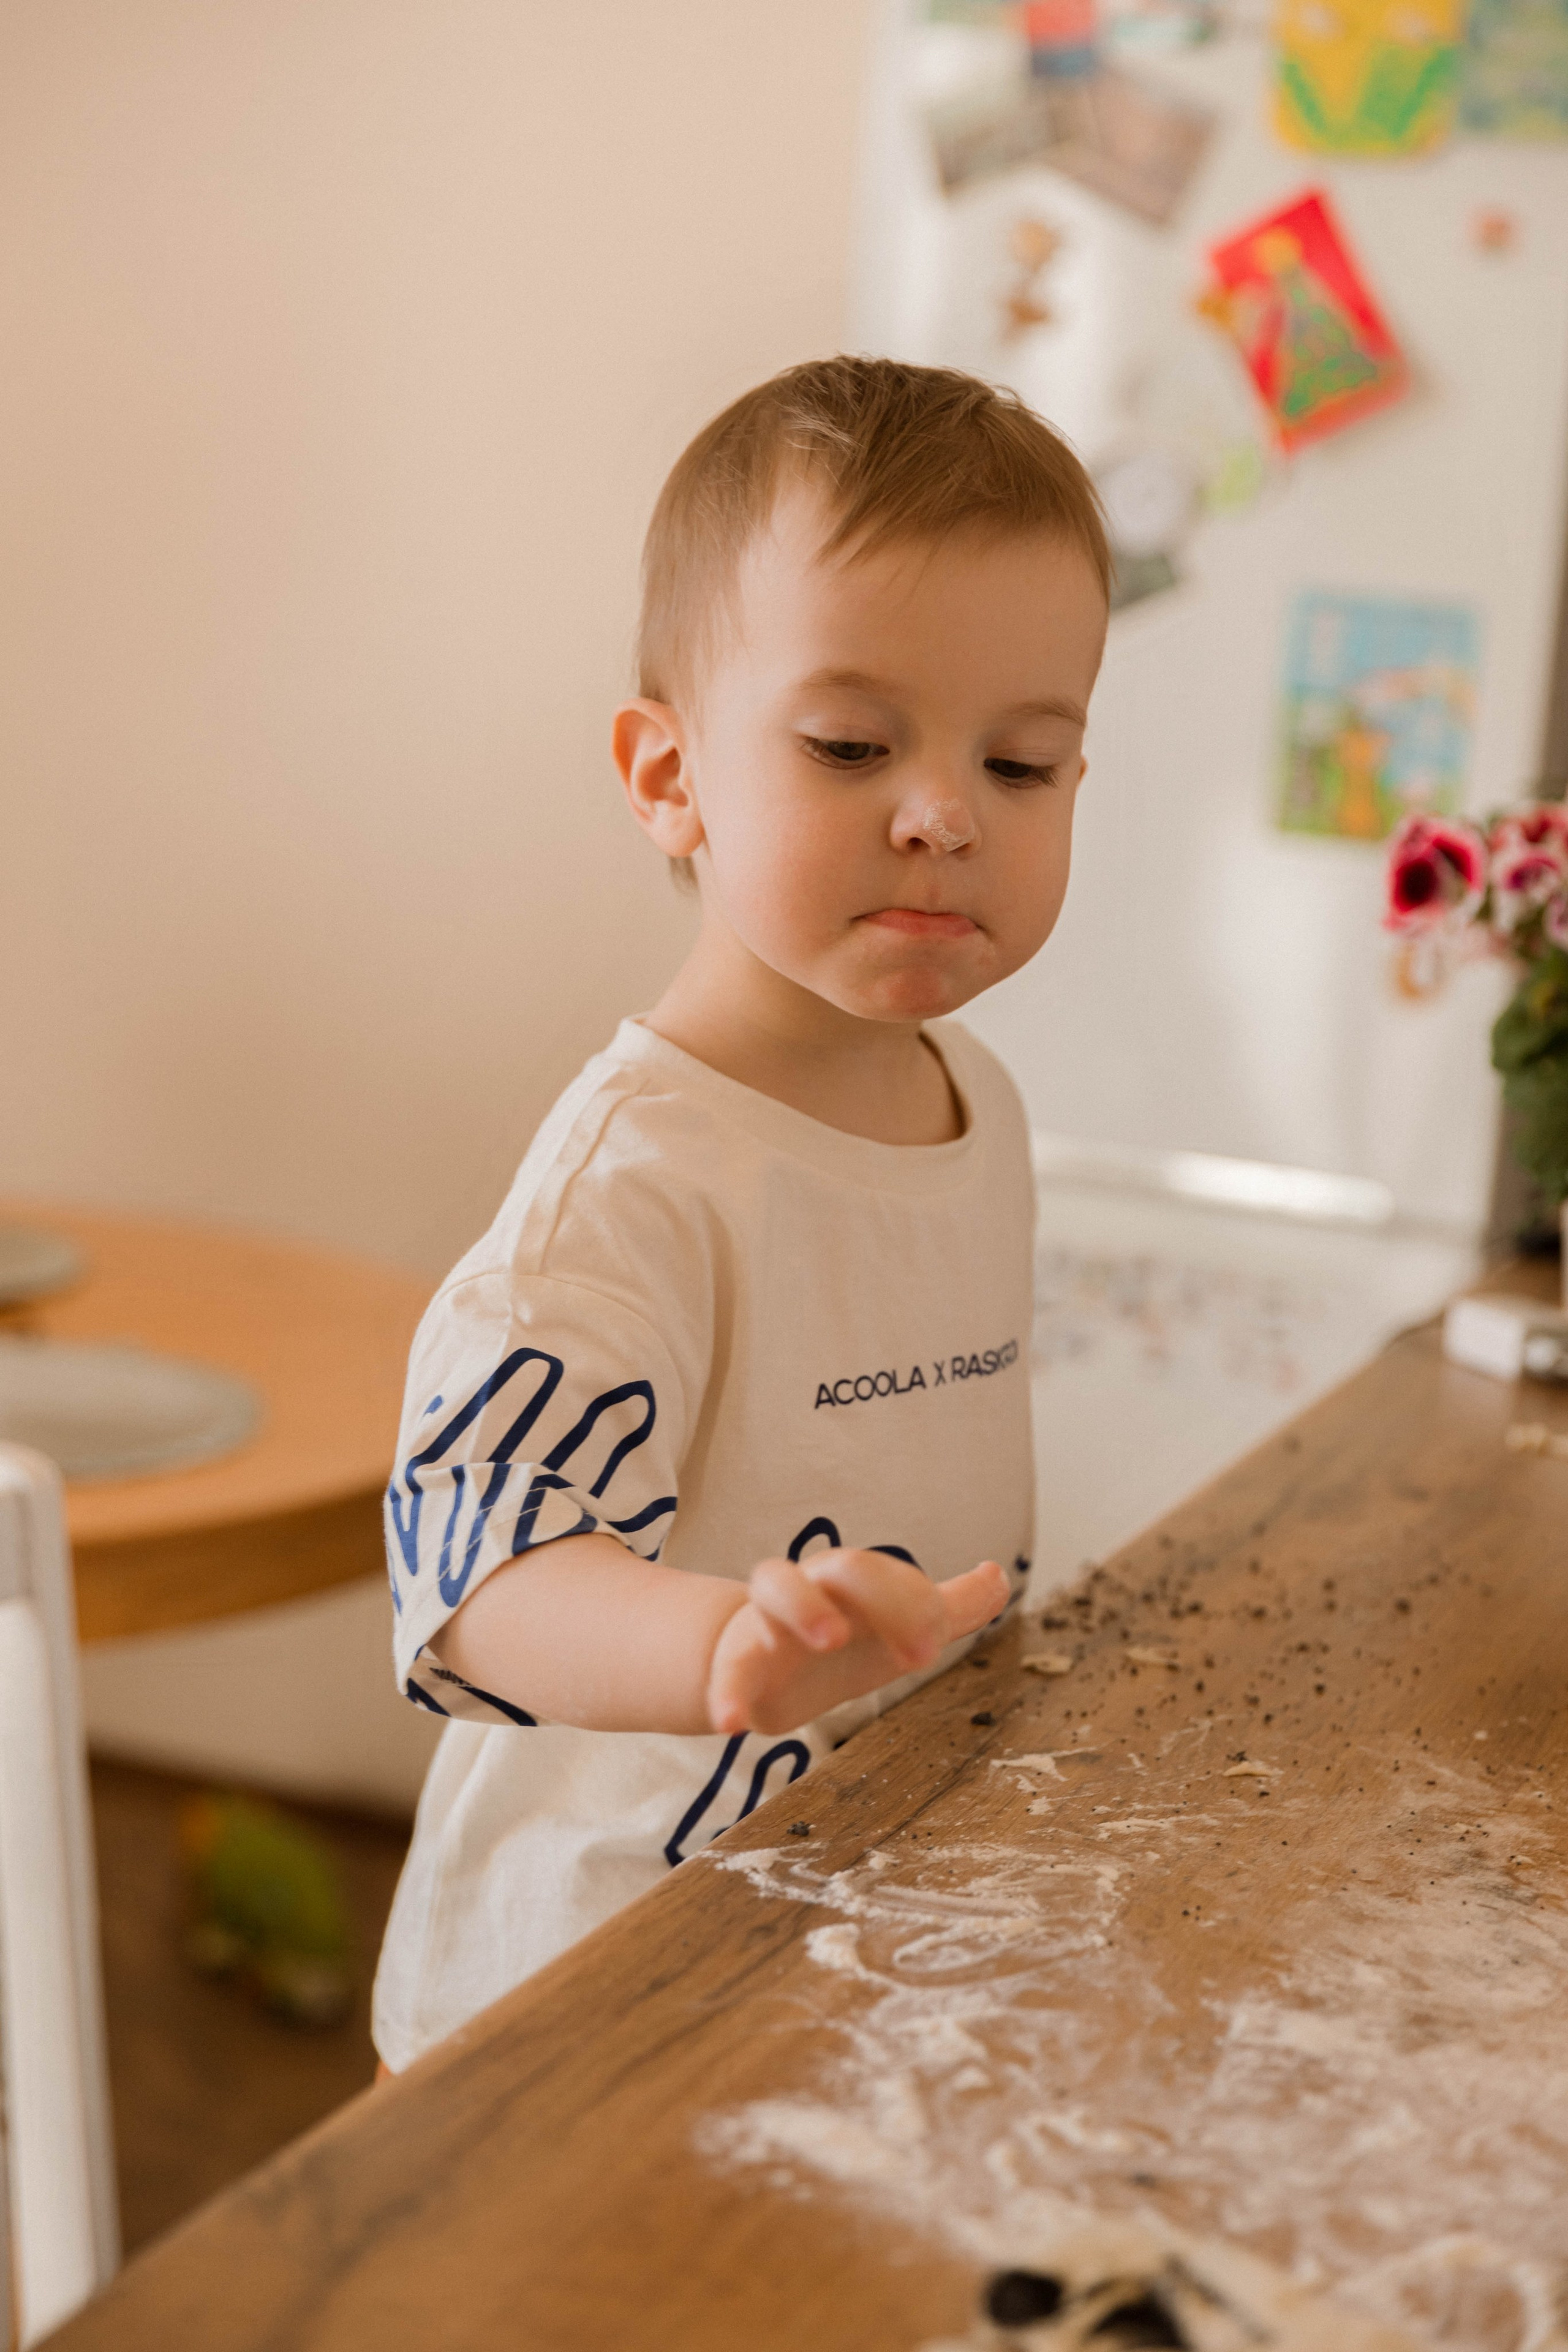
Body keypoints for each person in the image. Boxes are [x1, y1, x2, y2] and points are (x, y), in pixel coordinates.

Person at [372, 356, 1110, 2074]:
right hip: (591, 1990)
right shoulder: (639, 1179)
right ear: (668, 777)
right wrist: (725, 1642)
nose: (942, 812)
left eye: (1024, 764)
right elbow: (470, 1577)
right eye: (854, 744)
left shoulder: (974, 1100)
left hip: (858, 1933)